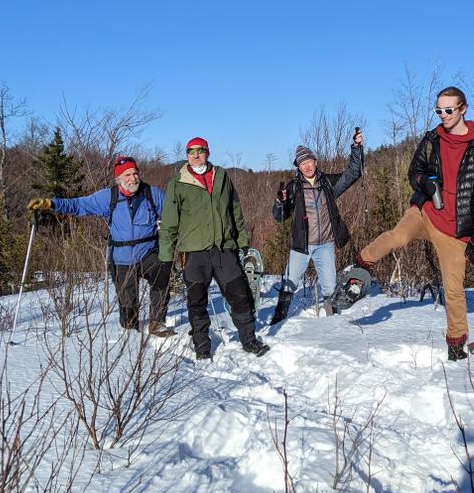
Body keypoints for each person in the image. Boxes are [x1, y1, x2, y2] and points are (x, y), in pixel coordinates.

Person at [353, 86, 474, 360]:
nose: (443, 115)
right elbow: (414, 172)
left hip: (457, 228)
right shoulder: (432, 139)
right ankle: (361, 265)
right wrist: (424, 183)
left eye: (449, 110)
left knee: (453, 289)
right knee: (397, 237)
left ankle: (456, 346)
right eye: (438, 110)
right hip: (426, 211)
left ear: (463, 109)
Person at [27, 155, 174, 337]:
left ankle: (157, 322)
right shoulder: (108, 197)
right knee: (128, 304)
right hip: (122, 257)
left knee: (162, 280)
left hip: (148, 252)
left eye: (135, 173)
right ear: (118, 179)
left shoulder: (152, 194)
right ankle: (130, 330)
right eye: (127, 175)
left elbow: (175, 212)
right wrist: (51, 203)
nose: (133, 178)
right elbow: (79, 205)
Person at [158, 137, 269, 360]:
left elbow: (234, 209)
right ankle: (202, 347)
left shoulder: (221, 176)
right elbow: (169, 221)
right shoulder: (178, 182)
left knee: (240, 295)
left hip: (223, 249)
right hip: (194, 251)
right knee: (196, 300)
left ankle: (249, 340)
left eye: (200, 151)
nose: (196, 155)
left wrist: (241, 240)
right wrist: (166, 256)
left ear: (208, 153)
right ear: (187, 154)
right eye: (191, 152)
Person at [271, 131, 364, 324]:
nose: (306, 166)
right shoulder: (294, 187)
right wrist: (280, 203)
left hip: (325, 245)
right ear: (298, 167)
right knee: (289, 284)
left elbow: (354, 173)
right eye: (302, 163)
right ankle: (278, 321)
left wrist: (356, 148)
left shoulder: (328, 183)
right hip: (301, 247)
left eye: (309, 161)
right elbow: (280, 217)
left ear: (315, 162)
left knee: (330, 288)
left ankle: (333, 323)